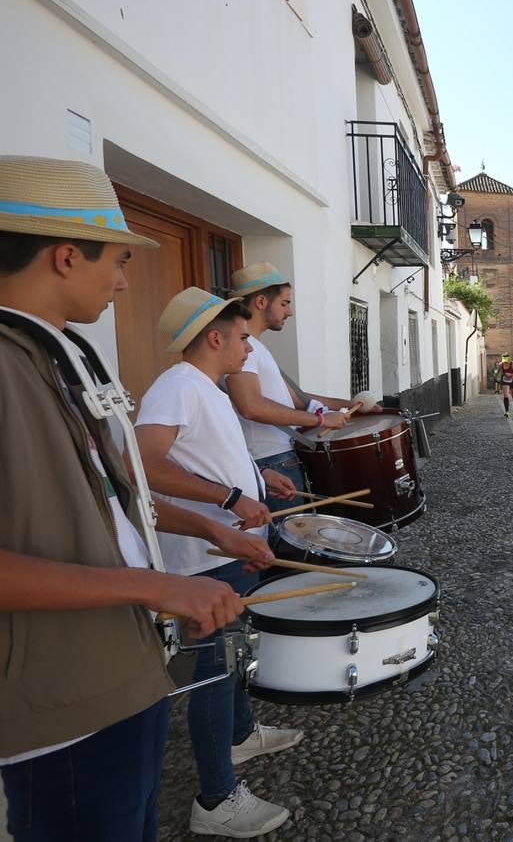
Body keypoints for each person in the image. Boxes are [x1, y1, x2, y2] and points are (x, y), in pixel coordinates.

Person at [0, 156, 246, 840]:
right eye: (117, 259)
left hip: (122, 676)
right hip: (64, 701)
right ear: (65, 256)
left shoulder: (51, 357)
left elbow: (110, 497)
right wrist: (152, 585)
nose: (123, 279)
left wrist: (208, 527)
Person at [136, 287, 304, 837]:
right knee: (211, 669)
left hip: (226, 549)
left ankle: (239, 734)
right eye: (242, 338)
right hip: (200, 558)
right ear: (214, 337)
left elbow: (203, 459)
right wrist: (230, 501)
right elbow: (144, 465)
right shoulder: (179, 386)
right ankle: (216, 800)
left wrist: (258, 480)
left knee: (233, 654)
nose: (249, 350)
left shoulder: (204, 389)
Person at [223, 262, 377, 514]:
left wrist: (350, 405)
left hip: (280, 458)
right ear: (261, 302)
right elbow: (250, 406)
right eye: (284, 303)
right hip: (270, 461)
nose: (290, 311)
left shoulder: (255, 347)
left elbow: (296, 398)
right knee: (290, 545)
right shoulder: (245, 348)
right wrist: (319, 419)